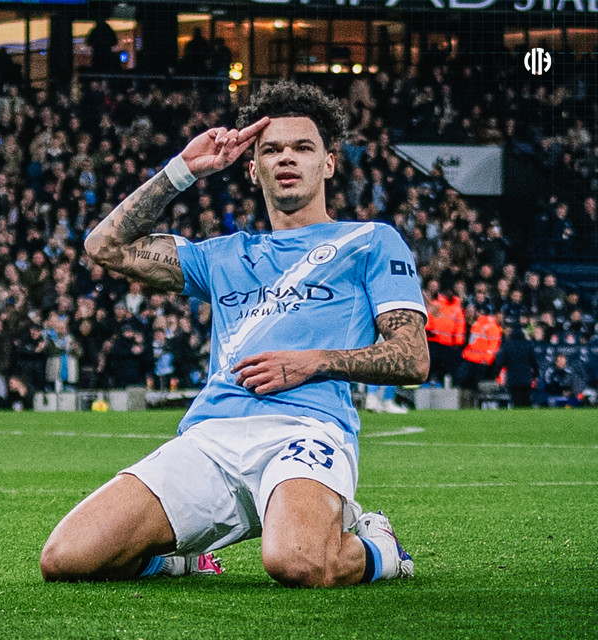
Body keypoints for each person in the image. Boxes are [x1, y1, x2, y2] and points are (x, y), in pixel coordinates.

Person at [41, 81, 429, 587]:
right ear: (253, 167)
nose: (286, 158)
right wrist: (182, 170)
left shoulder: (370, 240)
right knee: (67, 558)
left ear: (329, 163)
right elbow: (104, 246)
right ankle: (176, 557)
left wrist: (314, 361)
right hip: (211, 437)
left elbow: (412, 358)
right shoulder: (222, 255)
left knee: (298, 562)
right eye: (271, 150)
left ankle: (380, 545)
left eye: (302, 148)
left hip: (306, 430)